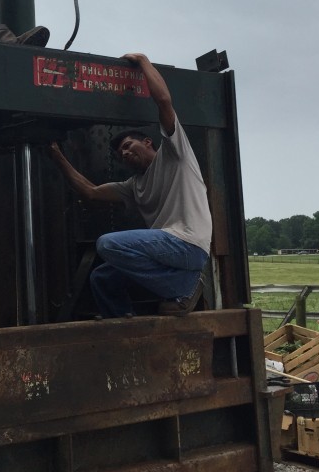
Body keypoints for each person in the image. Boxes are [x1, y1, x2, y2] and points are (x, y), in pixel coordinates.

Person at [48, 53, 212, 318]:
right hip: (168, 252)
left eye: (128, 146)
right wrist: (57, 156)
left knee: (108, 245)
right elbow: (90, 192)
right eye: (120, 154)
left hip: (188, 245)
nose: (124, 154)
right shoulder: (133, 185)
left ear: (147, 142)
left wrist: (143, 61)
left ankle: (185, 286)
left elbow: (164, 101)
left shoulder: (175, 154)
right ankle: (124, 325)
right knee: (102, 277)